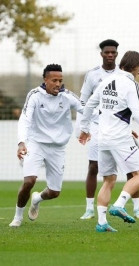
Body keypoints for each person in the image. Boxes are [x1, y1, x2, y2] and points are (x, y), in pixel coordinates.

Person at [79, 51, 139, 232]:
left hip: (103, 140)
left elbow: (90, 105)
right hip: (120, 140)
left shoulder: (106, 81)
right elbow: (138, 113)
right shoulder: (131, 84)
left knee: (109, 180)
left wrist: (84, 129)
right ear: (135, 67)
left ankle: (101, 223)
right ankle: (119, 204)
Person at [9, 64, 84, 227]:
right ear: (45, 80)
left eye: (60, 80)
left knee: (54, 192)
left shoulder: (68, 96)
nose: (58, 84)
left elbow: (87, 110)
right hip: (36, 144)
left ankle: (37, 199)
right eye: (54, 80)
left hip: (58, 148)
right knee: (29, 181)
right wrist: (22, 142)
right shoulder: (35, 95)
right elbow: (25, 119)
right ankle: (18, 217)